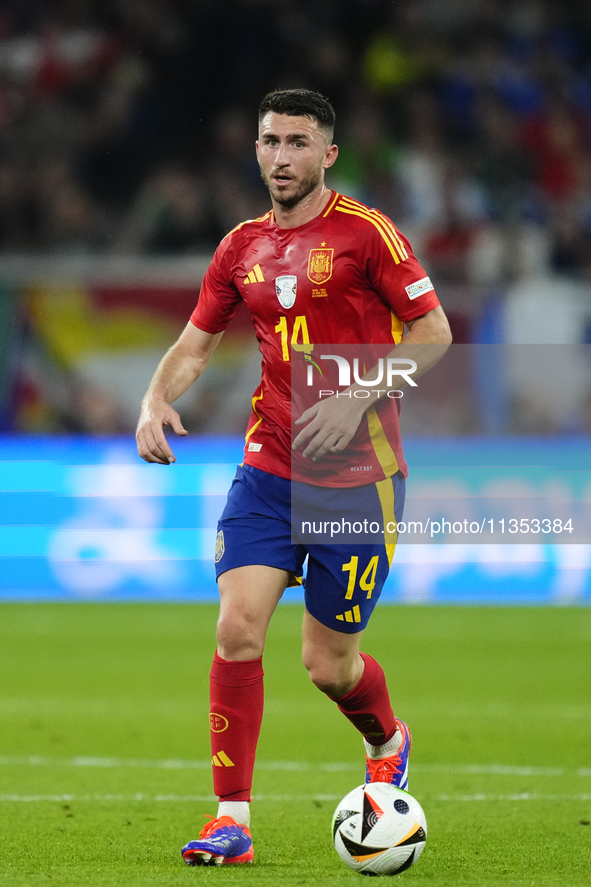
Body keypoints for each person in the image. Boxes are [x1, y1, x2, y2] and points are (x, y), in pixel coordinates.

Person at [136, 88, 452, 867]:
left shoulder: (367, 235)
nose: (281, 156)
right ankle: (231, 818)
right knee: (237, 627)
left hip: (357, 479)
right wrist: (153, 398)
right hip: (269, 465)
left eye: (297, 143)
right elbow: (195, 345)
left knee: (326, 664)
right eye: (270, 141)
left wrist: (356, 396)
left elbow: (434, 332)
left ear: (327, 154)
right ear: (256, 150)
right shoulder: (238, 246)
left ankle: (386, 735)